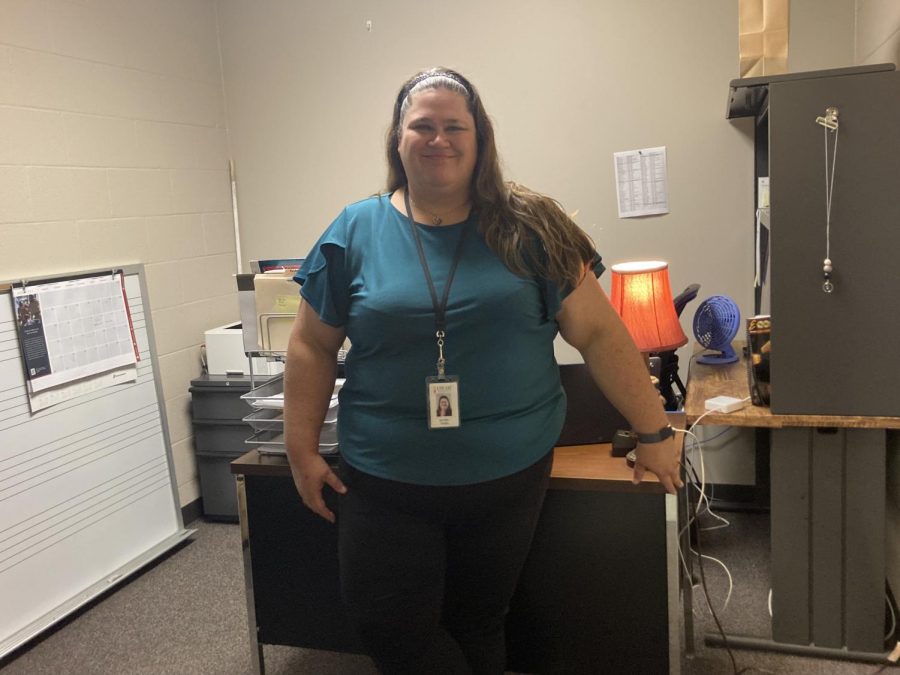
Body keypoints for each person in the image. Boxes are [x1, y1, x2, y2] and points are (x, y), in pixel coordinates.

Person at [283, 67, 682, 675]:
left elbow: (600, 333)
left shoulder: (533, 226)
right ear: (398, 138)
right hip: (386, 479)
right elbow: (311, 344)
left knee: (478, 621)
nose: (437, 138)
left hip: (507, 476)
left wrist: (654, 433)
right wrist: (299, 449)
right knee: (388, 626)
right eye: (422, 125)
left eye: (453, 126)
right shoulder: (354, 231)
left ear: (479, 138)